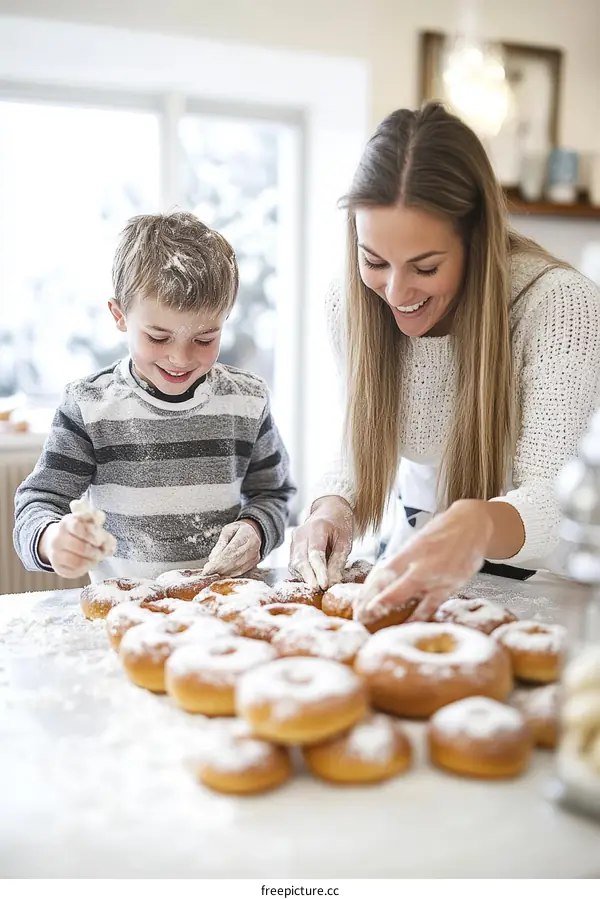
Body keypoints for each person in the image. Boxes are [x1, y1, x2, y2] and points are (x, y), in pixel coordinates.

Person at [290, 102, 600, 625]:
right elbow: (357, 443)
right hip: (408, 556)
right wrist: (331, 507)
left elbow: (551, 503)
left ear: (476, 243)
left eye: (425, 266)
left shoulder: (558, 305)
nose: (395, 292)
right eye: (374, 261)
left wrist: (475, 525)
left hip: (536, 594)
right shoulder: (348, 303)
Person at [14, 211, 295, 583]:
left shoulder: (246, 401)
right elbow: (38, 502)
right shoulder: (89, 406)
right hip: (127, 612)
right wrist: (53, 540)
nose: (180, 358)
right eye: (158, 337)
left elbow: (276, 494)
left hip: (221, 610)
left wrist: (257, 530)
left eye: (204, 339)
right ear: (119, 315)